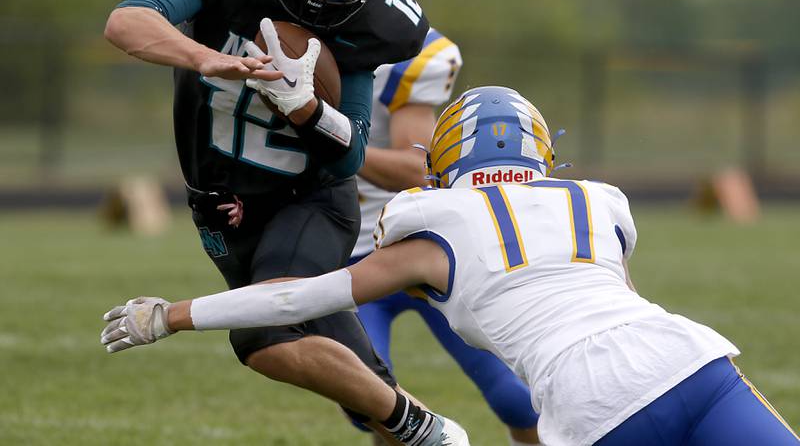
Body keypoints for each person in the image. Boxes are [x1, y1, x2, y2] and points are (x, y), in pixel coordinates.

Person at [102, 85, 799, 446]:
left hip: (595, 405)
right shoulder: (596, 202)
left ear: (445, 162)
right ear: (538, 153)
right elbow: (618, 302)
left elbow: (295, 301)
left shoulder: (433, 226)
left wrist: (173, 314)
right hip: (693, 359)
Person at [103, 0, 468, 446]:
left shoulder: (377, 20)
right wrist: (204, 56)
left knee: (262, 336)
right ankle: (432, 435)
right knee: (359, 384)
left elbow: (347, 157)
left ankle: (420, 428)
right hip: (222, 203)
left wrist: (305, 108)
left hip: (310, 200)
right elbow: (126, 22)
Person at [353, 28, 540, 445]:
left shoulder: (410, 48)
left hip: (430, 247)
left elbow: (417, 168)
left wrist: (333, 139)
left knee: (516, 398)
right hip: (345, 249)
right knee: (369, 399)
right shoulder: (285, 33)